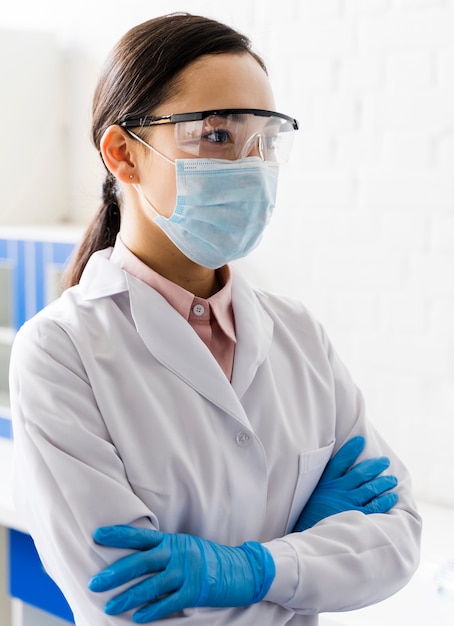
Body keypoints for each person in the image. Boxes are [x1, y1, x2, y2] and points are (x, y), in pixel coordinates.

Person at [10, 12, 421, 626]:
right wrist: (303, 560)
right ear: (124, 154)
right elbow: (128, 604)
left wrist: (252, 568)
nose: (253, 165)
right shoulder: (61, 352)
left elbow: (397, 539)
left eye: (266, 139)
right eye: (218, 135)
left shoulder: (299, 335)